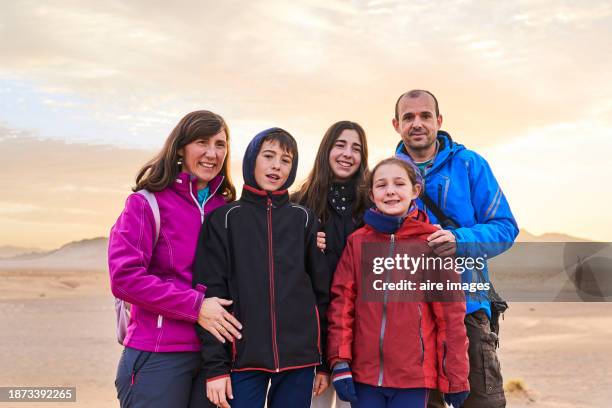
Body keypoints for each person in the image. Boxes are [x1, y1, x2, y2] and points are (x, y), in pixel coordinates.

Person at [392, 89, 519, 407]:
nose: (417, 123)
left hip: (468, 308)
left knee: (482, 403)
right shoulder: (387, 174)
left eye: (425, 115)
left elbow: (505, 227)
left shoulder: (470, 165)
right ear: (396, 124)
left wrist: (459, 241)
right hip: (410, 317)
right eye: (409, 117)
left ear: (439, 120)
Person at [108, 110, 243, 408]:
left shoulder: (229, 210)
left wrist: (312, 239)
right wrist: (196, 307)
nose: (212, 153)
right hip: (158, 355)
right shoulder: (146, 203)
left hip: (214, 360)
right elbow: (125, 279)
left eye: (220, 144)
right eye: (201, 142)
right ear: (181, 147)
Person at [193, 128, 330, 408]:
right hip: (242, 359)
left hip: (299, 360)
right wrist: (216, 368)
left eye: (286, 160)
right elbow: (210, 298)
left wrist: (324, 362)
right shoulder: (225, 220)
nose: (276, 165)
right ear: (252, 160)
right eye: (268, 156)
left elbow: (321, 294)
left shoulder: (304, 219)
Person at [327, 157, 470, 408]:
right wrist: (340, 361)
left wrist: (455, 377)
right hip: (365, 377)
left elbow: (450, 315)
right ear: (371, 194)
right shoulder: (357, 242)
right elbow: (342, 305)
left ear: (415, 190)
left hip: (414, 380)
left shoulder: (433, 243)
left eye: (399, 183)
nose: (390, 190)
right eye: (381, 185)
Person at [292, 120, 370, 407]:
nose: (347, 153)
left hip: (360, 342)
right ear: (326, 150)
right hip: (309, 342)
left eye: (356, 148)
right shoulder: (297, 206)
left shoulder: (372, 209)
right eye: (340, 145)